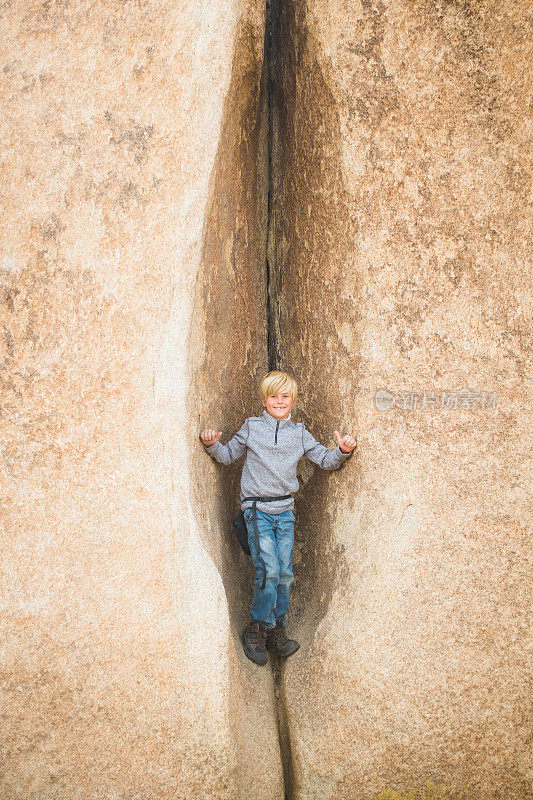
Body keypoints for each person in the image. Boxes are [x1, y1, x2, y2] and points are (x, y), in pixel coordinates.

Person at [199, 370, 357, 666]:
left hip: (284, 513)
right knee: (269, 570)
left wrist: (343, 451)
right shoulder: (252, 427)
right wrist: (211, 444)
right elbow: (228, 455)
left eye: (285, 396)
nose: (280, 401)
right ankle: (257, 628)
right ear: (264, 399)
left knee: (284, 573)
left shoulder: (298, 433)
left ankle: (276, 628)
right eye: (274, 396)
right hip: (257, 510)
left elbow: (325, 460)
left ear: (293, 401)